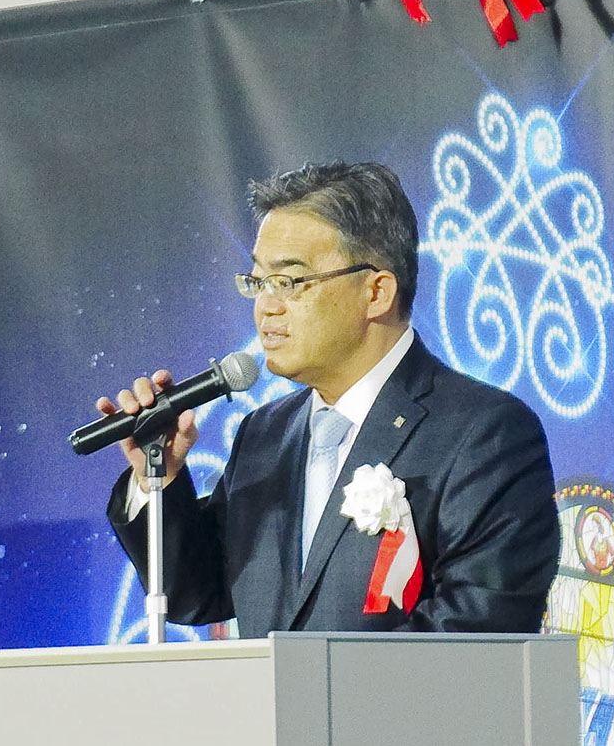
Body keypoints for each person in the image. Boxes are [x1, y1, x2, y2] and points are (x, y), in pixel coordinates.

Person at [101, 161, 559, 637]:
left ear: (376, 292)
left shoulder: (485, 434)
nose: (266, 305)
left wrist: (313, 695)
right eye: (258, 282)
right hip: (274, 713)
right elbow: (197, 592)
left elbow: (477, 626)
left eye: (290, 282)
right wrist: (161, 478)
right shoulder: (264, 435)